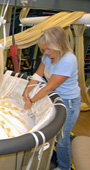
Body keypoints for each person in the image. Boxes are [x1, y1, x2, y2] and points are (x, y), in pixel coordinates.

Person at [23, 26, 81, 170]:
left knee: (62, 138)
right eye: (44, 50)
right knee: (54, 133)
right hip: (55, 100)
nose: (46, 53)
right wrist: (27, 91)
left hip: (69, 103)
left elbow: (49, 87)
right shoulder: (48, 56)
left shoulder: (68, 60)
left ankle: (64, 166)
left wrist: (31, 101)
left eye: (49, 49)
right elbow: (38, 75)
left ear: (59, 45)